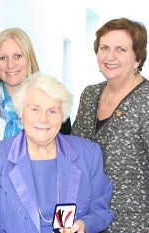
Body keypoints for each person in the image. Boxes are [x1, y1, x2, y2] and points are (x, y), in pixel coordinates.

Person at [0, 73, 114, 233]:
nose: (43, 119)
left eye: (52, 111)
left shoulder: (89, 154)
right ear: (21, 113)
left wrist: (85, 224)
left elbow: (101, 210)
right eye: (35, 109)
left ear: (63, 116)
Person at [71, 17, 149, 232]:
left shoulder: (146, 100)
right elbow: (74, 154)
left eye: (121, 49)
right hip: (86, 222)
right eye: (104, 48)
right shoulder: (90, 95)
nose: (110, 56)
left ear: (138, 58)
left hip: (133, 225)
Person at [0, 28, 71, 149]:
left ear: (29, 58)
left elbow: (64, 154)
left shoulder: (54, 101)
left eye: (17, 56)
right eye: (3, 58)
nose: (10, 65)